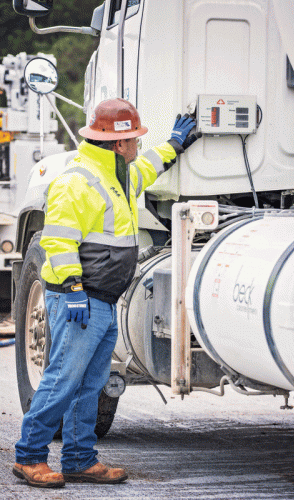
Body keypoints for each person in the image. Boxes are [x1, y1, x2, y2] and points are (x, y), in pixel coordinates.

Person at [13, 98, 201, 488]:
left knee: (89, 383)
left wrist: (174, 145)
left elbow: (147, 168)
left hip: (102, 300)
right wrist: (73, 289)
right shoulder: (74, 181)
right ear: (118, 144)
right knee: (63, 379)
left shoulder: (119, 175)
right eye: (134, 139)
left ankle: (80, 458)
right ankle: (29, 456)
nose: (137, 145)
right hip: (78, 300)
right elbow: (59, 241)